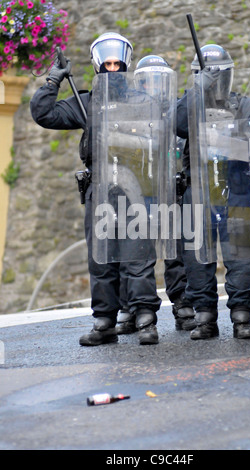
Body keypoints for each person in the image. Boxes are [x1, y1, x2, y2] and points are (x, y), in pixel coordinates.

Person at [30, 32, 162, 346]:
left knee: (138, 256)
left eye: (118, 63)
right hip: (100, 189)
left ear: (125, 63)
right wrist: (52, 81)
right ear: (98, 65)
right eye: (108, 63)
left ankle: (145, 319)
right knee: (100, 259)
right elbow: (44, 113)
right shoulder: (86, 101)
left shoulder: (143, 102)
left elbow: (159, 140)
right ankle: (104, 322)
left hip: (135, 191)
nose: (113, 68)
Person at [177, 44, 250, 340]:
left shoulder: (247, 107)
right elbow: (176, 124)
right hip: (198, 190)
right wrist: (197, 88)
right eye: (208, 77)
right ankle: (205, 317)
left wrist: (220, 141)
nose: (214, 83)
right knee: (197, 258)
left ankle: (242, 315)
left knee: (240, 255)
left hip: (237, 189)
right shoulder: (189, 107)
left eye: (217, 77)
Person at [115, 55, 196, 335]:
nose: (154, 87)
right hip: (138, 192)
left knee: (177, 253)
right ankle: (133, 307)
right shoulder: (130, 112)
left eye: (159, 81)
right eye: (148, 81)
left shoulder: (178, 111)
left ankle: (183, 303)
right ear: (140, 83)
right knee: (135, 252)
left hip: (172, 191)